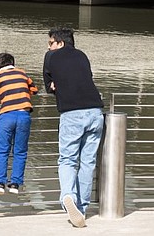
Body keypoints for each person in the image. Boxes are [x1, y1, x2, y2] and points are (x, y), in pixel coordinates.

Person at [42, 28, 103, 228]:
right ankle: (81, 208)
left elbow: (48, 85)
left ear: (59, 43)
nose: (48, 46)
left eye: (50, 42)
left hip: (71, 114)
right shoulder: (82, 55)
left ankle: (68, 196)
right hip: (95, 112)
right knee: (88, 162)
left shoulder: (51, 57)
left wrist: (54, 84)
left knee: (68, 159)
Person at [0, 52, 38, 196]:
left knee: (2, 150)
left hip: (6, 115)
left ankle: (0, 183)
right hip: (24, 114)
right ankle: (15, 184)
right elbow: (34, 90)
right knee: (20, 151)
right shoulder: (22, 73)